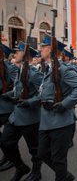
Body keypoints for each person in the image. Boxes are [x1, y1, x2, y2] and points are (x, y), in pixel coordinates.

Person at [38, 35, 77, 181]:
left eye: (43, 47)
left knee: (59, 159)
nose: (40, 49)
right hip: (46, 119)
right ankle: (65, 175)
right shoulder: (48, 68)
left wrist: (65, 104)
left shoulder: (64, 69)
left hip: (61, 121)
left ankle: (62, 176)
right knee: (42, 153)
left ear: (52, 50)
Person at [1, 42, 43, 181]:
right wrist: (8, 95)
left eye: (18, 52)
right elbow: (17, 89)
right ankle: (20, 167)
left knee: (34, 149)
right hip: (16, 116)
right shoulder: (20, 70)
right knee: (5, 142)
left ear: (25, 55)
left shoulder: (34, 74)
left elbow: (44, 94)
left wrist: (30, 102)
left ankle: (37, 172)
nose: (15, 54)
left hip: (30, 117)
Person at [0, 44, 18, 172]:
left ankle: (12, 159)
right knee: (5, 139)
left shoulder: (9, 68)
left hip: (7, 106)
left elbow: (16, 86)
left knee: (8, 138)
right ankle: (7, 155)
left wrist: (7, 94)